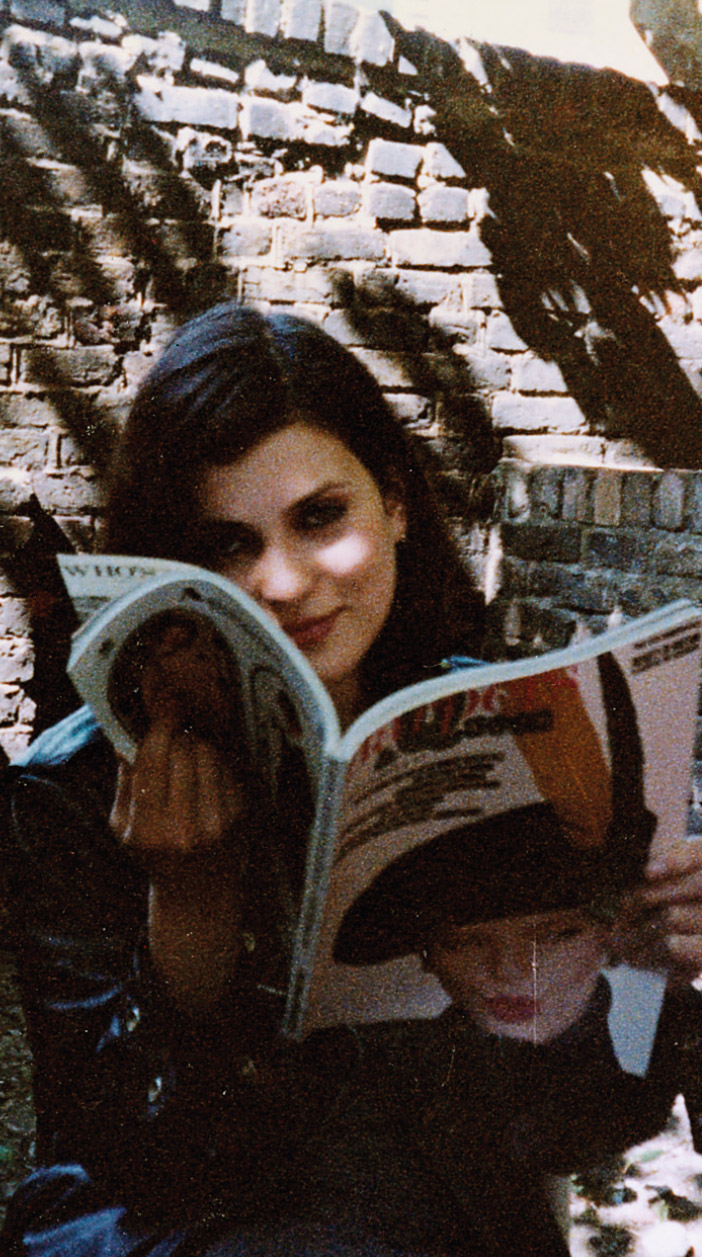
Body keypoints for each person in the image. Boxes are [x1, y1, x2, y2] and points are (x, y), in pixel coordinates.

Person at [2, 302, 702, 1257]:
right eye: (226, 544)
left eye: (320, 517)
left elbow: (577, 1127)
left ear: (399, 502)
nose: (283, 582)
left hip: (428, 1206)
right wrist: (191, 917)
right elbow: (126, 1160)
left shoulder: (501, 734)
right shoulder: (76, 787)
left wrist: (668, 961)